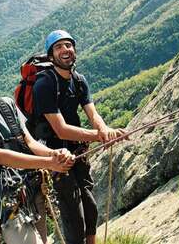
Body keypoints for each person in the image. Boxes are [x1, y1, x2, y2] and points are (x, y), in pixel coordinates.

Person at [0, 48, 74, 244]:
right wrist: (50, 163)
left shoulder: (6, 105)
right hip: (5, 202)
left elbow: (29, 143)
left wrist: (55, 154)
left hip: (31, 192)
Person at [32, 30, 126, 244]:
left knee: (90, 207)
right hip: (56, 157)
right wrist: (100, 136)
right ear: (50, 56)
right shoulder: (44, 84)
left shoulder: (79, 80)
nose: (66, 50)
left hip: (78, 151)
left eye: (69, 45)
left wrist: (105, 130)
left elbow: (93, 114)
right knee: (74, 214)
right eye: (59, 47)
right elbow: (61, 130)